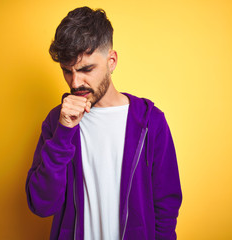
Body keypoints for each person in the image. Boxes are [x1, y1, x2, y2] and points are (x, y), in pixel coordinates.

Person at [25, 6, 182, 240]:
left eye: (86, 69)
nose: (75, 82)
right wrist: (63, 134)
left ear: (111, 61)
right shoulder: (57, 122)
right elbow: (41, 205)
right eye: (67, 71)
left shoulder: (151, 122)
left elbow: (166, 205)